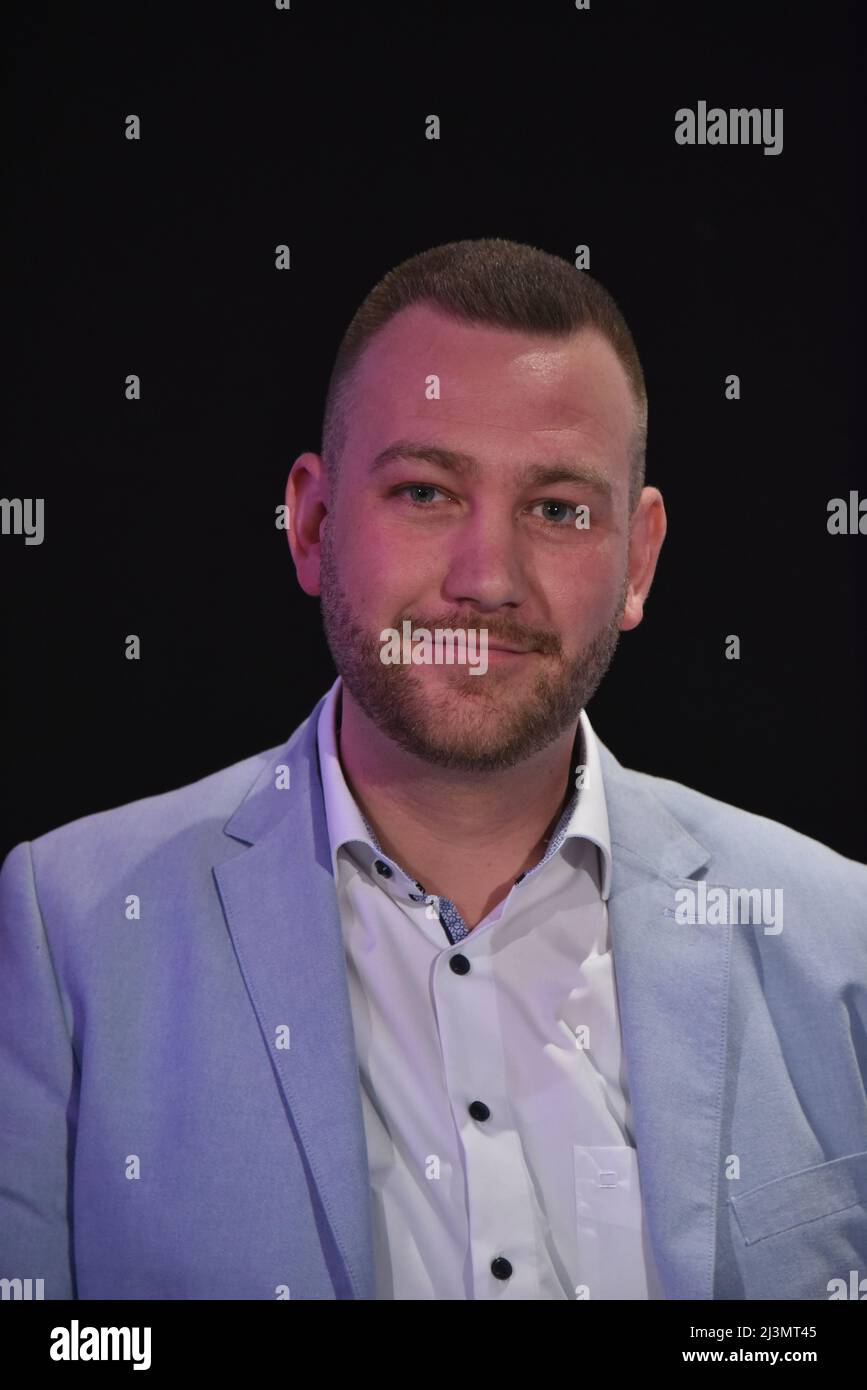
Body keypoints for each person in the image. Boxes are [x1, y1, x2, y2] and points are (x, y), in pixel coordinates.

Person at [1, 238, 865, 1302]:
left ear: (637, 561)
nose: (486, 579)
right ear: (311, 524)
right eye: (424, 492)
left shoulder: (840, 935)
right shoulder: (66, 934)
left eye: (557, 509)